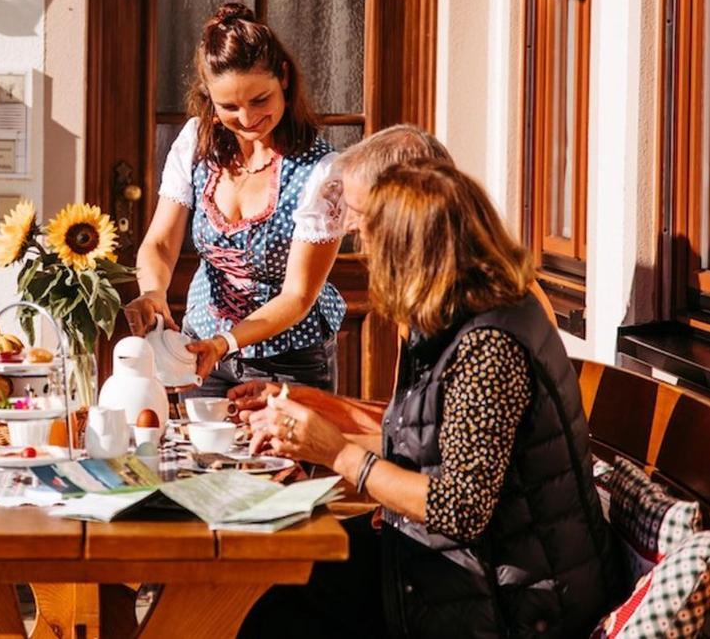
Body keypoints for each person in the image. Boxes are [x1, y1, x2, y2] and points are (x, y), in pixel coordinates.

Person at [240, 160, 621, 639]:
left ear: (412, 254)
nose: (367, 259)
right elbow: (425, 448)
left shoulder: (490, 346)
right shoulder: (464, 316)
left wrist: (336, 453)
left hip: (514, 604)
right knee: (283, 576)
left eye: (373, 244)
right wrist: (308, 433)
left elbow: (460, 507)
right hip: (470, 568)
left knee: (284, 605)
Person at [229, 124, 557, 427]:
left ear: (406, 211)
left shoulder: (492, 319)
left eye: (358, 210)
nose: (348, 226)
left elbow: (453, 474)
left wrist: (334, 450)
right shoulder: (431, 293)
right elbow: (408, 426)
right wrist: (298, 400)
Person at [123, 2, 346, 394]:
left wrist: (225, 343)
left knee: (282, 458)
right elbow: (160, 242)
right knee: (194, 454)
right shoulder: (195, 142)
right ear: (209, 98)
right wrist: (153, 293)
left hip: (289, 357)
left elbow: (298, 294)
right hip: (201, 347)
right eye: (228, 106)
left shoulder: (323, 171)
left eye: (260, 100)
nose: (246, 119)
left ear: (285, 78)